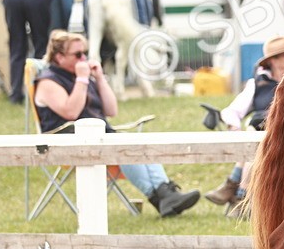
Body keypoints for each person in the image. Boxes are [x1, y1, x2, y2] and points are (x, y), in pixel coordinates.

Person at [34, 30, 201, 217]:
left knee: (138, 143)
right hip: (66, 143)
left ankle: (165, 194)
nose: (83, 59)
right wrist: (82, 79)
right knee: (122, 149)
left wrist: (99, 79)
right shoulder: (48, 82)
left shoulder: (81, 77)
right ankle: (161, 197)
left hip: (99, 138)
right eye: (78, 54)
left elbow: (111, 110)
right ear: (59, 57)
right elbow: (71, 112)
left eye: (85, 53)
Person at [204, 35, 284, 217]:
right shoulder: (256, 84)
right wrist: (234, 127)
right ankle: (241, 195)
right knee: (253, 138)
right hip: (261, 132)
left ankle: (236, 188)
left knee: (256, 143)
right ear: (273, 60)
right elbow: (232, 111)